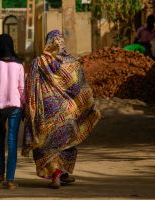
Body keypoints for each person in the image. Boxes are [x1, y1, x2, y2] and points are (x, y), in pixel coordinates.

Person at [22, 30, 100, 189]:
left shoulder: (39, 62)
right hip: (68, 112)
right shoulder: (72, 63)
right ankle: (61, 174)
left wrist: (29, 109)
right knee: (65, 142)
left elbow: (30, 86)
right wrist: (89, 103)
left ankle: (57, 176)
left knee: (48, 145)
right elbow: (79, 87)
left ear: (48, 43)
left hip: (46, 113)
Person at [0, 34, 25, 189]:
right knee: (12, 142)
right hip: (15, 106)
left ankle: (0, 173)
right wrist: (23, 104)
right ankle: (10, 179)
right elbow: (22, 88)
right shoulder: (19, 65)